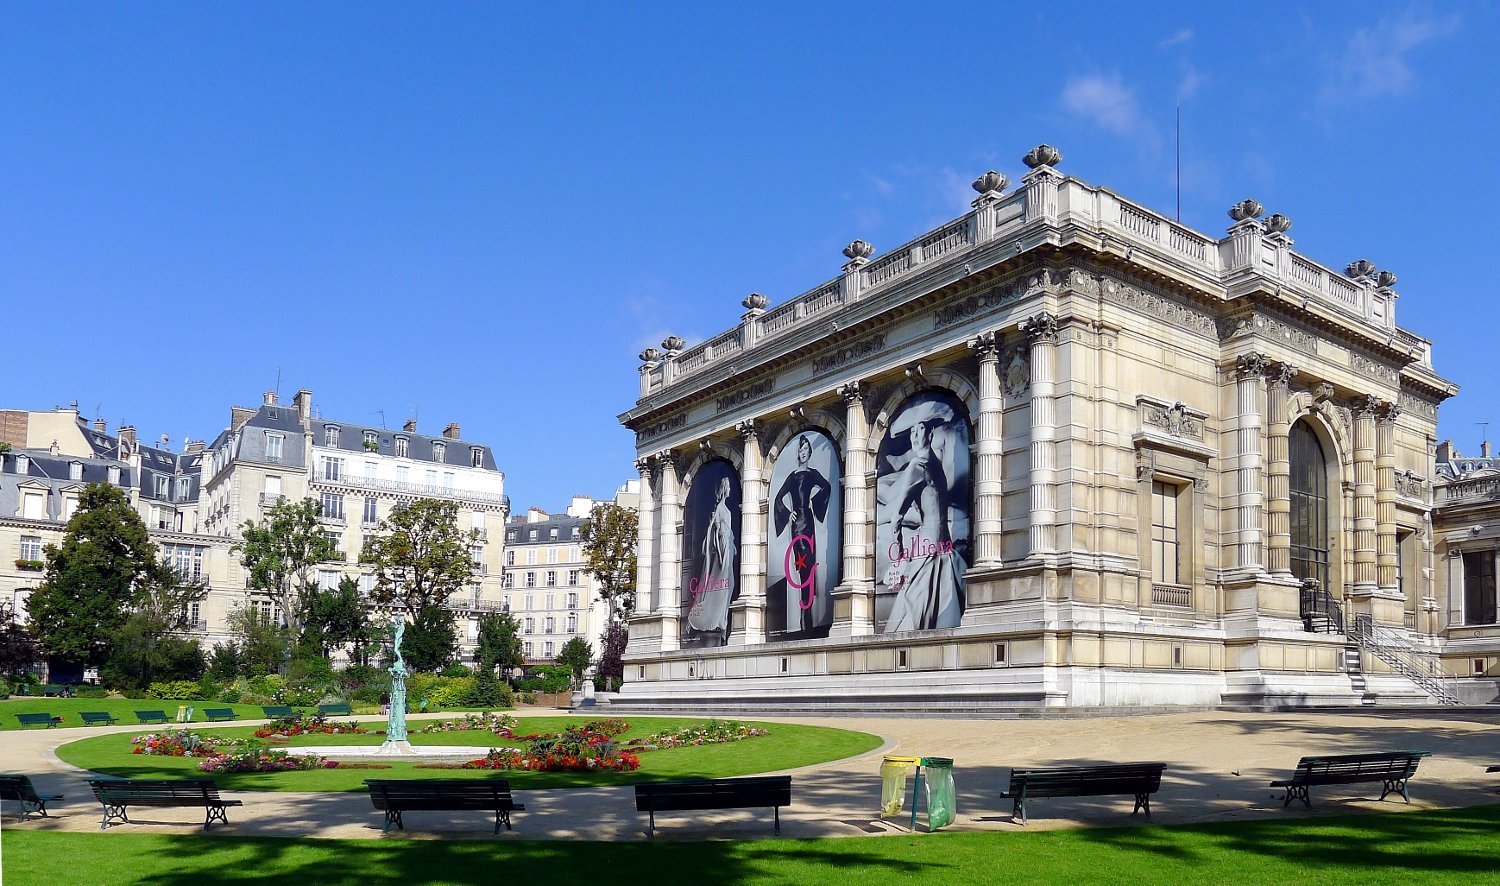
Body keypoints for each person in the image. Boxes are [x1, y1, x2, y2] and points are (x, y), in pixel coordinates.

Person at [882, 400, 966, 631]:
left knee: (923, 601)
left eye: (920, 429)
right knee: (930, 600)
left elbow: (897, 517)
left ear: (929, 435)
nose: (914, 434)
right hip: (936, 544)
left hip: (934, 545)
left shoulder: (924, 465)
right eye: (913, 431)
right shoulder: (926, 465)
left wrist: (898, 554)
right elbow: (898, 516)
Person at [773, 434, 833, 634]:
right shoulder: (792, 476)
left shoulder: (812, 473)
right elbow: (778, 498)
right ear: (798, 453)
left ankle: (806, 610)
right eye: (801, 449)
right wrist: (787, 513)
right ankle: (804, 610)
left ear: (810, 452)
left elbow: (827, 486)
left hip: (808, 520)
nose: (803, 452)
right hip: (797, 522)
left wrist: (814, 505)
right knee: (802, 565)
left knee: (809, 562)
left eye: (806, 449)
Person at [688, 475, 736, 639]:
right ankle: (719, 621)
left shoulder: (723, 508)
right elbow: (714, 532)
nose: (730, 489)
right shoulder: (720, 509)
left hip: (727, 547)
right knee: (725, 586)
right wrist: (722, 555)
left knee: (727, 586)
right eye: (728, 487)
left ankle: (721, 620)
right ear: (724, 489)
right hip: (723, 550)